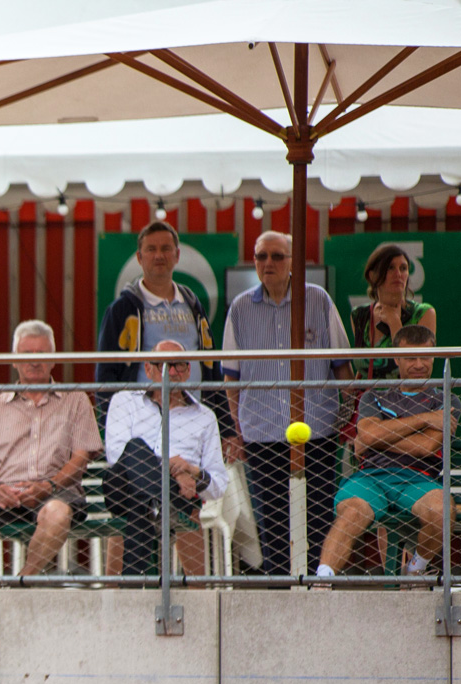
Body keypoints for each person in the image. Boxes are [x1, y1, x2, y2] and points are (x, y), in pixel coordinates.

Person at [223, 230, 352, 577]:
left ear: (293, 261)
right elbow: (230, 379)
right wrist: (237, 431)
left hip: (320, 432)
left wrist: (346, 420)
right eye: (261, 256)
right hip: (261, 433)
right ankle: (282, 593)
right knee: (273, 521)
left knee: (320, 514)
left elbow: (343, 367)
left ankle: (319, 588)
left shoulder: (319, 300)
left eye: (277, 256)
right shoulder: (238, 309)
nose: (269, 263)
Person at [0, 320, 102, 577]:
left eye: (42, 355)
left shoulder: (76, 400)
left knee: (58, 513)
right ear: (14, 360)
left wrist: (47, 486)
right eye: (26, 355)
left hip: (56, 493)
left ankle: (23, 582)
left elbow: (81, 458)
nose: (34, 362)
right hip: (4, 496)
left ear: (54, 360)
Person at [315, 325, 453, 581]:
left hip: (419, 479)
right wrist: (426, 419)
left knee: (442, 509)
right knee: (352, 512)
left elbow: (426, 446)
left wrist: (377, 439)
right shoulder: (373, 397)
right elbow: (367, 434)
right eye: (411, 358)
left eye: (426, 356)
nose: (419, 364)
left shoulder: (447, 399)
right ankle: (322, 584)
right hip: (371, 478)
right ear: (396, 359)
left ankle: (414, 570)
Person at [95, 220, 234, 446]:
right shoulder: (121, 310)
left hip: (194, 421)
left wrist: (226, 427)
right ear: (139, 258)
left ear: (177, 255)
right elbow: (106, 373)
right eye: (151, 249)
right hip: (142, 425)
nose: (159, 255)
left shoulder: (192, 305)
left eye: (165, 249)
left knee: (193, 480)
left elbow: (211, 366)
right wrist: (115, 424)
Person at [103, 340, 229, 580]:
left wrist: (192, 470)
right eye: (162, 365)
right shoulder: (124, 401)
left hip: (172, 499)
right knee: (135, 448)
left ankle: (129, 587)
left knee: (141, 506)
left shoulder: (205, 417)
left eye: (178, 366)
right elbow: (117, 455)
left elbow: (219, 484)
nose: (170, 373)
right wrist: (175, 470)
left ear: (188, 370)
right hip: (124, 487)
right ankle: (157, 501)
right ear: (148, 369)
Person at [349, 243, 437, 382]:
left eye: (403, 268)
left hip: (407, 400)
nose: (398, 274)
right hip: (368, 401)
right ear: (372, 276)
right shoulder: (359, 315)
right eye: (390, 268)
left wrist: (394, 323)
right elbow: (363, 368)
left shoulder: (423, 313)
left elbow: (416, 368)